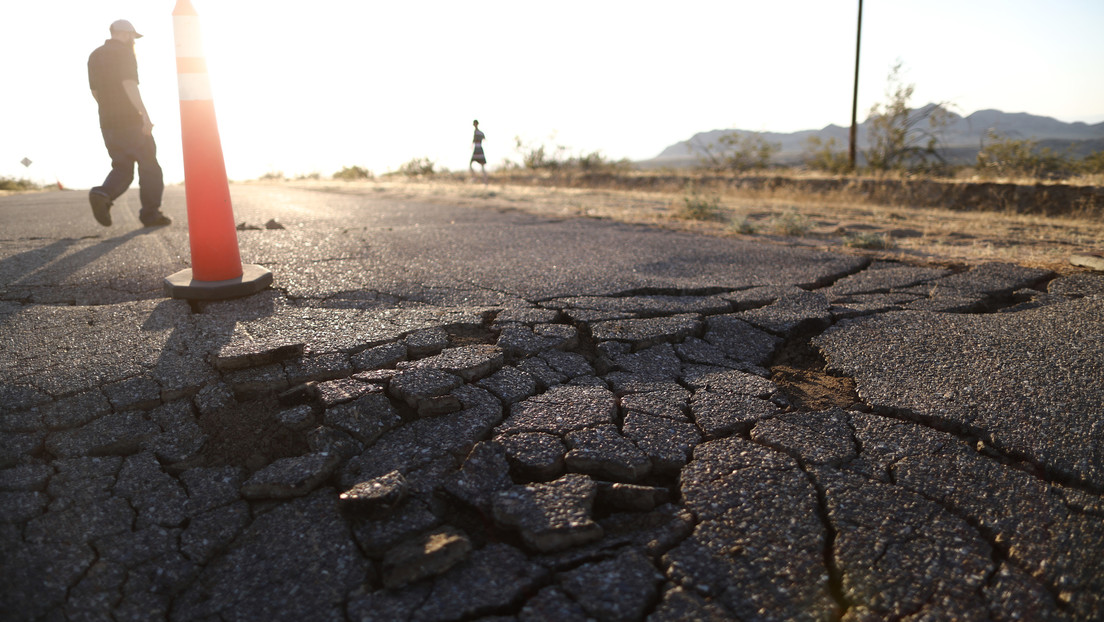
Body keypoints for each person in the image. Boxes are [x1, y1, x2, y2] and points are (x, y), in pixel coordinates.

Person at [87, 19, 170, 227]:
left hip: (107, 122)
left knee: (122, 167)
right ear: (126, 34)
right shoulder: (124, 53)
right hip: (130, 120)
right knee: (149, 166)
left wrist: (109, 112)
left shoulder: (95, 55)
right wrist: (144, 115)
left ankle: (102, 193)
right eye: (133, 36)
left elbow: (95, 92)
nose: (133, 40)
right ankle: (151, 214)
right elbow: (129, 84)